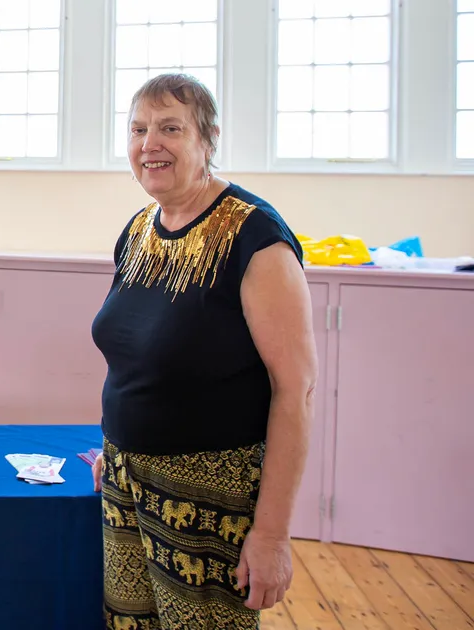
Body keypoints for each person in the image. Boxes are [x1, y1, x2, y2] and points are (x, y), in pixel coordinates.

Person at [90, 73, 318, 629]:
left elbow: (296, 391)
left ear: (208, 138)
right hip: (125, 481)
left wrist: (271, 535)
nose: (150, 144)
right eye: (139, 129)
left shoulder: (253, 236)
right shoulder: (140, 229)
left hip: (210, 498)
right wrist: (115, 445)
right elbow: (135, 360)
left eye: (171, 128)